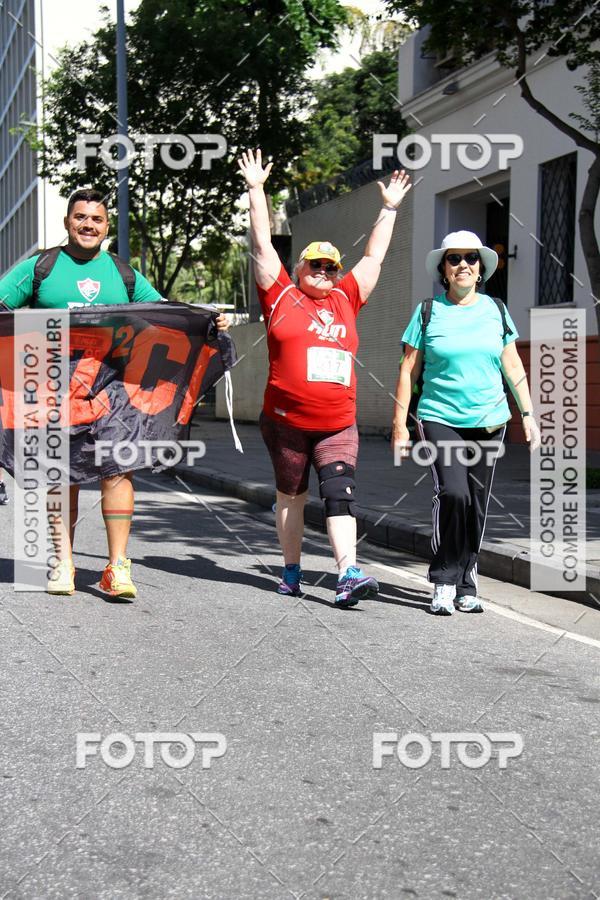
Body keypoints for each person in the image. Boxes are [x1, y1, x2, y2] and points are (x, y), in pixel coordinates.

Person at [0, 187, 228, 598]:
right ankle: (63, 563)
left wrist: (207, 322)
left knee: (117, 469)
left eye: (97, 219)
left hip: (113, 385)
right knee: (61, 472)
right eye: (80, 217)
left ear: (106, 226)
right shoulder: (41, 266)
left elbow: (165, 314)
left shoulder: (122, 273)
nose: (88, 225)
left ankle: (118, 567)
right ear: (68, 222)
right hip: (56, 383)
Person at [238, 148, 411, 608]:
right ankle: (291, 570)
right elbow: (261, 245)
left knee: (339, 494)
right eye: (314, 265)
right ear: (298, 270)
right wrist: (256, 190)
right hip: (286, 423)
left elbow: (374, 256)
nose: (323, 272)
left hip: (337, 423)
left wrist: (389, 208)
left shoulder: (347, 298)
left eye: (331, 266)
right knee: (292, 497)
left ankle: (347, 574)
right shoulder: (278, 295)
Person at [392, 231, 539, 616]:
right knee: (454, 493)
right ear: (443, 268)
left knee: (476, 503)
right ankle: (443, 579)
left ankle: (466, 580)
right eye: (454, 258)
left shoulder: (497, 311)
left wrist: (528, 413)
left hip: (490, 419)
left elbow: (512, 365)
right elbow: (408, 369)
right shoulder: (428, 311)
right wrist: (399, 425)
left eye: (470, 259)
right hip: (439, 416)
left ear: (480, 270)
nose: (462, 265)